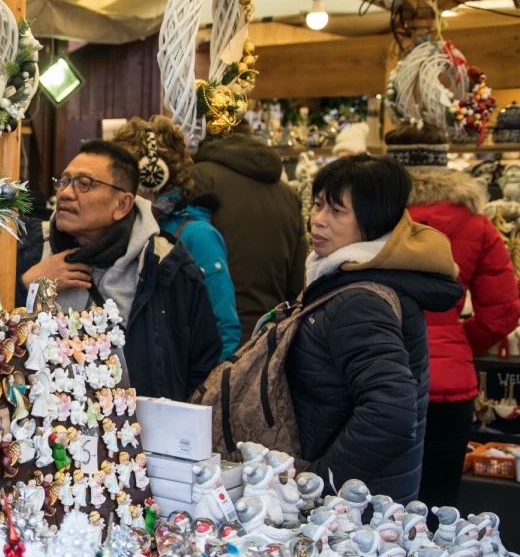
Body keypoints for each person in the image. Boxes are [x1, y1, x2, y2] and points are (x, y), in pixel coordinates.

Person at [286, 155, 462, 502]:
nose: (318, 220)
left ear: (372, 221)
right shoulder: (342, 276)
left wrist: (321, 483)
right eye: (318, 205)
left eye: (337, 211)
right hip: (363, 499)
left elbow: (391, 411)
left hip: (354, 512)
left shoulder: (360, 299)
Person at [21, 140, 222, 400]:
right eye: (64, 181)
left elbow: (203, 365)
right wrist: (28, 285)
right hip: (45, 429)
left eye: (84, 184)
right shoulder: (32, 253)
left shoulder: (168, 268)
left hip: (141, 432)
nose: (65, 193)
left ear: (122, 205)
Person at [392, 124, 520, 507]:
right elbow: (502, 312)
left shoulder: (376, 219)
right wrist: (458, 340)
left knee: (374, 499)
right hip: (450, 383)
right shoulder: (476, 224)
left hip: (379, 372)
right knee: (440, 501)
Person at [111, 116, 240, 358]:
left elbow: (224, 330)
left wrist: (202, 392)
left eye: (122, 173)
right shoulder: (121, 229)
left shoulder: (197, 236)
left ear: (152, 175)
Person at [192, 126, 308, 344]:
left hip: (216, 337)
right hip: (271, 334)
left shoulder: (200, 178)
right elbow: (298, 279)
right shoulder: (287, 193)